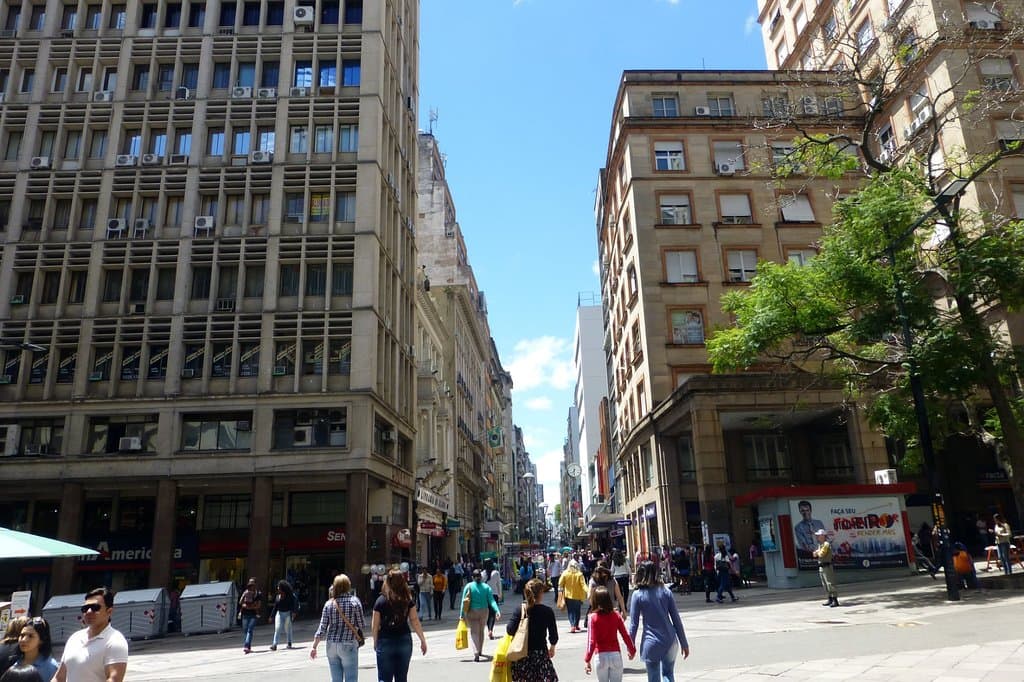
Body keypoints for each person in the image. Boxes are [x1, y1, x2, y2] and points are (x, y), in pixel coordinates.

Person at [627, 561, 689, 682]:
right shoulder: (666, 592)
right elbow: (676, 620)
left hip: (651, 642)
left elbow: (633, 624)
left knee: (654, 677)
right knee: (668, 674)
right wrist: (684, 643)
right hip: (671, 640)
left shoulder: (637, 595)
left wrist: (631, 646)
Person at [53, 587, 129, 682]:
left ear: (109, 611)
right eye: (85, 608)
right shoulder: (75, 638)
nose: (89, 612)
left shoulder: (115, 641)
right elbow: (59, 677)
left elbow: (114, 679)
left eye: (95, 608)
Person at [372, 569, 427, 682]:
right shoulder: (407, 600)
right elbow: (415, 620)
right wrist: (422, 640)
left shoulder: (380, 601)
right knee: (401, 678)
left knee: (384, 678)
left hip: (385, 640)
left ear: (387, 582)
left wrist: (375, 641)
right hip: (404, 639)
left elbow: (375, 625)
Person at [311, 573, 365, 682]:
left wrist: (314, 647)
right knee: (351, 678)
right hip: (348, 642)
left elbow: (322, 628)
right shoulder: (355, 602)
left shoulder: (329, 604)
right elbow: (361, 624)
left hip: (331, 644)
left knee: (336, 679)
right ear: (348, 586)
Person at [507, 578, 559, 682]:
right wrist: (552, 647)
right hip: (540, 654)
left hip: (521, 654)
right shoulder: (547, 611)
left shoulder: (520, 610)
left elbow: (510, 630)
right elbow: (553, 634)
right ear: (541, 593)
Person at [583, 586, 635, 682]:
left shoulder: (592, 618)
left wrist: (587, 659)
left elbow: (592, 641)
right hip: (615, 654)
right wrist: (632, 650)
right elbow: (625, 635)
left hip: (600, 656)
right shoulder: (616, 615)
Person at [459, 569, 501, 662]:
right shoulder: (486, 587)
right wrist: (497, 611)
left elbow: (463, 601)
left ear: (472, 577)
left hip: (472, 612)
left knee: (474, 632)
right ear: (481, 577)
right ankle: (480, 650)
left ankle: (476, 653)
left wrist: (461, 615)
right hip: (484, 612)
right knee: (481, 631)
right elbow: (492, 601)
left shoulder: (468, 586)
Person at [10, 618, 56, 682]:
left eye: (30, 636)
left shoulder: (51, 667)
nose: (23, 640)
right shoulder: (13, 662)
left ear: (41, 640)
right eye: (22, 635)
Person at [557, 560, 588, 633]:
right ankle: (576, 625)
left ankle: (572, 626)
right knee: (577, 611)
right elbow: (583, 585)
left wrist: (559, 592)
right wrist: (588, 591)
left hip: (568, 596)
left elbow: (560, 583)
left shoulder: (565, 573)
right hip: (578, 596)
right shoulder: (579, 574)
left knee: (571, 611)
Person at [813, 529, 839, 607]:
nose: (817, 537)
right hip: (821, 567)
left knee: (830, 583)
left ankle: (835, 600)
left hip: (827, 566)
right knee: (825, 584)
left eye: (819, 535)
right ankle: (830, 598)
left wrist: (817, 552)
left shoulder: (826, 544)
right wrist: (817, 552)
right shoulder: (820, 545)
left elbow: (821, 554)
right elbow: (814, 554)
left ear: (823, 536)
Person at [268, 579, 297, 651]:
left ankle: (289, 642)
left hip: (288, 613)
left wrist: (293, 612)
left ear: (283, 588)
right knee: (277, 628)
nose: (278, 588)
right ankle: (274, 644)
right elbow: (275, 607)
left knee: (288, 629)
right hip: (279, 614)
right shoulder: (278, 597)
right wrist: (271, 616)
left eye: (279, 587)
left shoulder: (290, 596)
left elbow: (294, 605)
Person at [238, 578, 263, 653]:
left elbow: (259, 605)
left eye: (253, 583)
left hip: (253, 614)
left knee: (249, 630)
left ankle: (246, 645)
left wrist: (251, 607)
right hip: (245, 614)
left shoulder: (258, 593)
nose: (251, 585)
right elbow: (240, 602)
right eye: (250, 583)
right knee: (246, 630)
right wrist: (244, 605)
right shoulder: (245, 592)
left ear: (255, 584)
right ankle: (248, 647)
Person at [485, 563, 504, 639]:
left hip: (485, 595)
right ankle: (491, 630)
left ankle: (489, 629)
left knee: (487, 614)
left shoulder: (483, 573)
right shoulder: (496, 573)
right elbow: (499, 584)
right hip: (494, 594)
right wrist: (500, 594)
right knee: (492, 613)